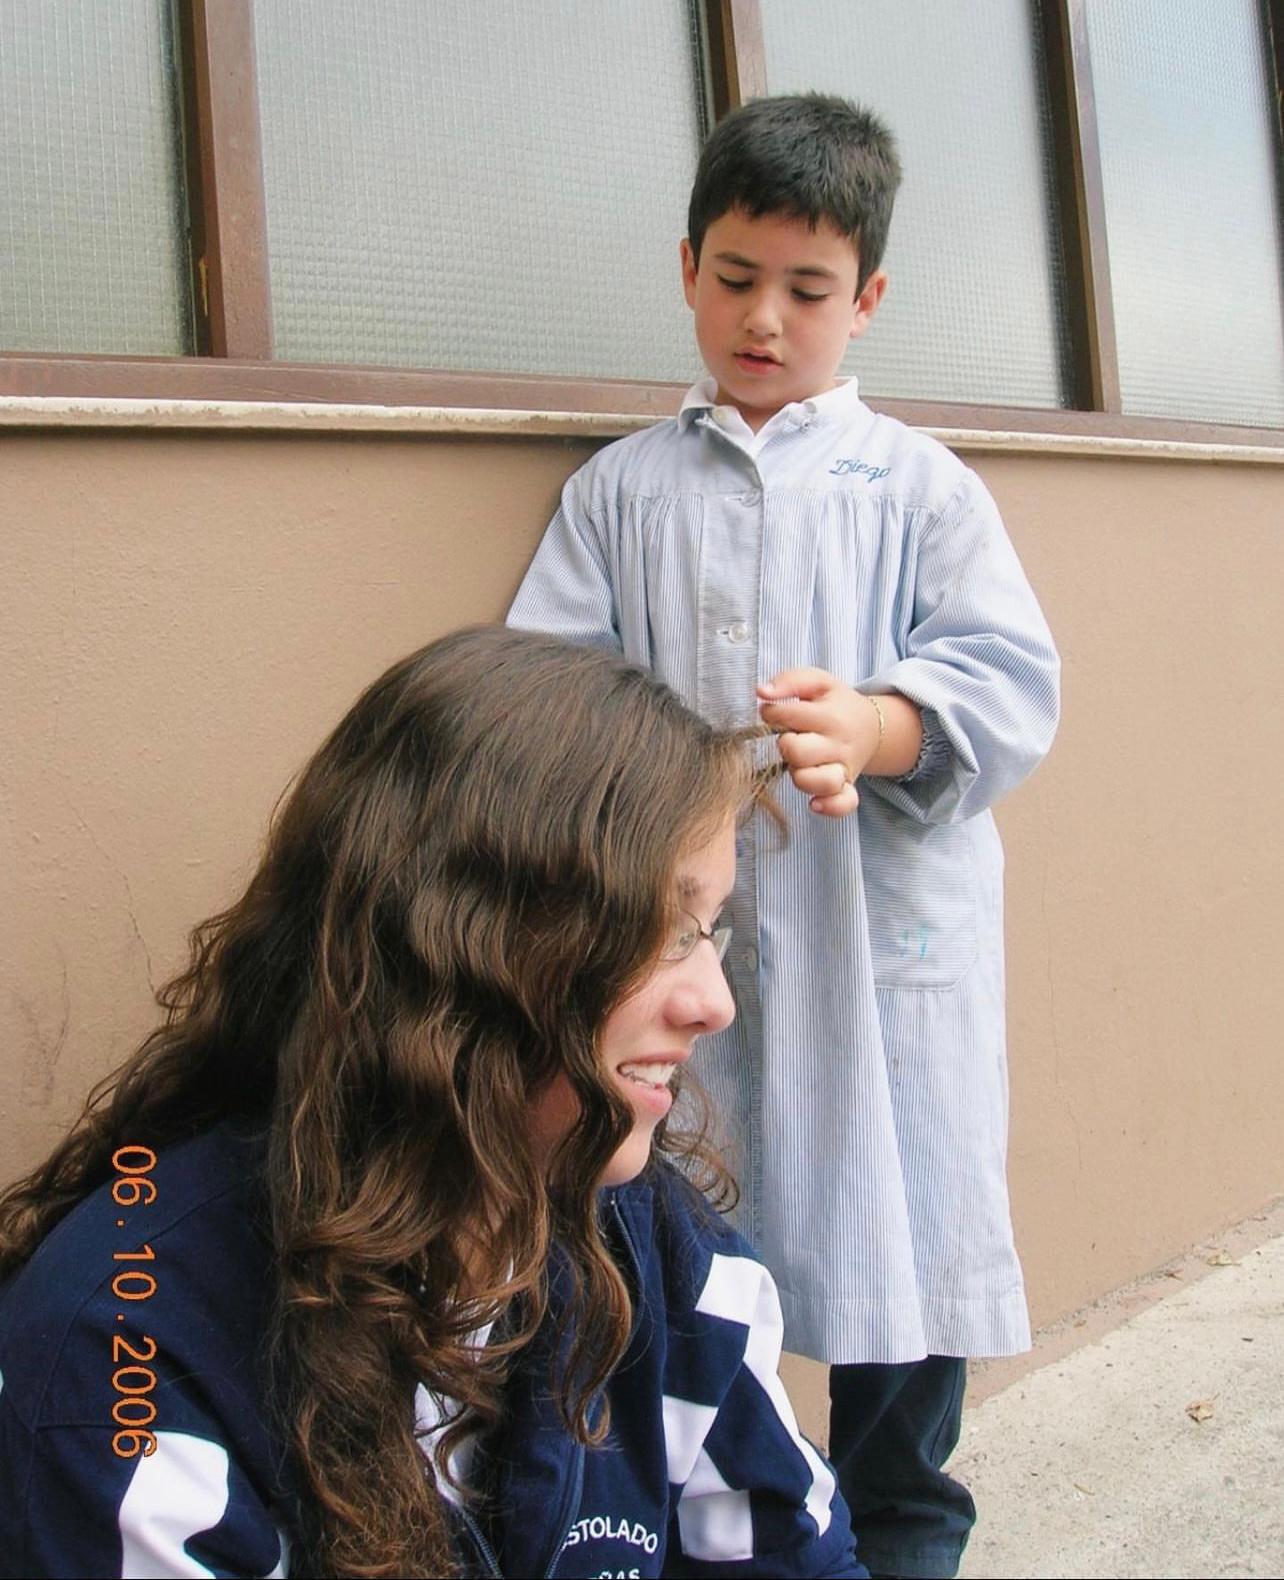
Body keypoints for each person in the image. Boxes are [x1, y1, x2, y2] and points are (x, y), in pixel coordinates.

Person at [0, 625, 865, 1579]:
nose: (715, 1003)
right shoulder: (125, 1350)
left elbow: (791, 1554)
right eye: (655, 928)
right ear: (463, 948)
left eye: (708, 929)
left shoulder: (658, 1251)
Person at [508, 94, 1061, 1579]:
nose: (765, 318)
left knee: (903, 1264)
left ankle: (903, 1525)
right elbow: (549, 685)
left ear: (865, 299)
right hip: (684, 952)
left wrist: (880, 727)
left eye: (807, 290)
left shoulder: (921, 489)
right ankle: (719, 1511)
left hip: (881, 958)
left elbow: (1010, 684)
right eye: (737, 277)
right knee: (685, 1242)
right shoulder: (622, 493)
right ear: (688, 267)